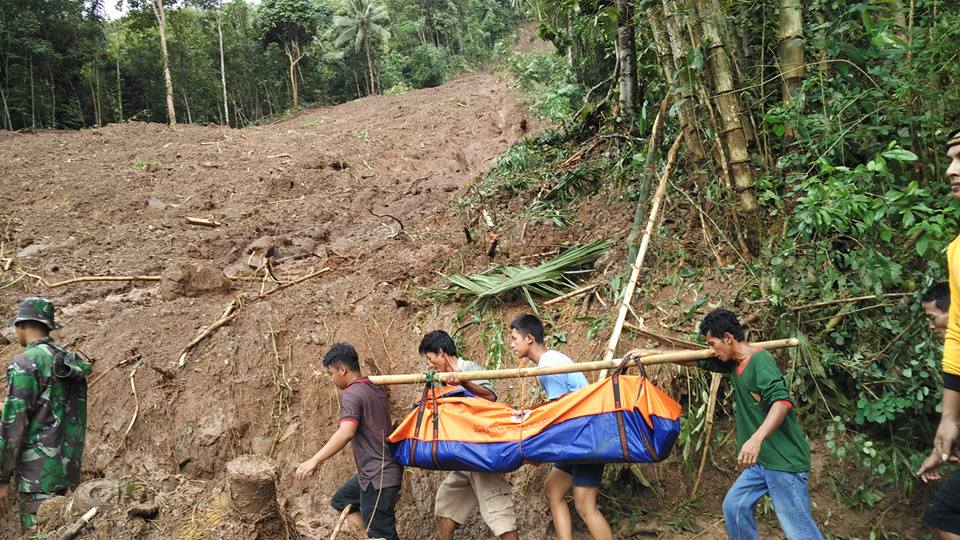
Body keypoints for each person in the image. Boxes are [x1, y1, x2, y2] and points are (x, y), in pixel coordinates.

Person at [629, 308, 822, 539]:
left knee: (799, 531)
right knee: (735, 507)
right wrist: (651, 353)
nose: (711, 350)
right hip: (761, 463)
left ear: (728, 339)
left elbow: (781, 402)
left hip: (783, 462)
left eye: (712, 343)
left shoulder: (760, 361)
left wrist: (756, 439)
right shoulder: (733, 363)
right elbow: (695, 359)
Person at [508, 314, 613, 540]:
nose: (511, 343)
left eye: (514, 338)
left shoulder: (549, 366)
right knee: (553, 490)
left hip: (587, 435)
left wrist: (537, 451)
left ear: (528, 338)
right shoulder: (550, 360)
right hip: (577, 435)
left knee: (585, 505)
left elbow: (557, 415)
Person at [0, 297, 92, 530]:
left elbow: (13, 425)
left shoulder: (26, 363)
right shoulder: (66, 360)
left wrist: (2, 476)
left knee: (39, 532)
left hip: (37, 478)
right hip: (67, 471)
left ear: (21, 325)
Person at [295, 343, 403, 540]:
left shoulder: (351, 394)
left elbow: (346, 432)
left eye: (331, 373)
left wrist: (315, 460)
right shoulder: (373, 388)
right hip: (372, 474)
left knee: (382, 536)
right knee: (342, 500)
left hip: (378, 476)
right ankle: (366, 535)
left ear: (343, 370)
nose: (331, 378)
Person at [419, 330, 519, 540]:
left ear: (440, 353)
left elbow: (490, 397)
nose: (430, 365)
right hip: (466, 456)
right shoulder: (445, 380)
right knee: (447, 501)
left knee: (498, 511)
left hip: (482, 452)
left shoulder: (468, 368)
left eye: (430, 359)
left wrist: (463, 381)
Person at [918, 130, 960, 539]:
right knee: (944, 517)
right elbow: (958, 337)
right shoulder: (956, 251)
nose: (951, 169)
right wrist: (949, 418)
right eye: (950, 159)